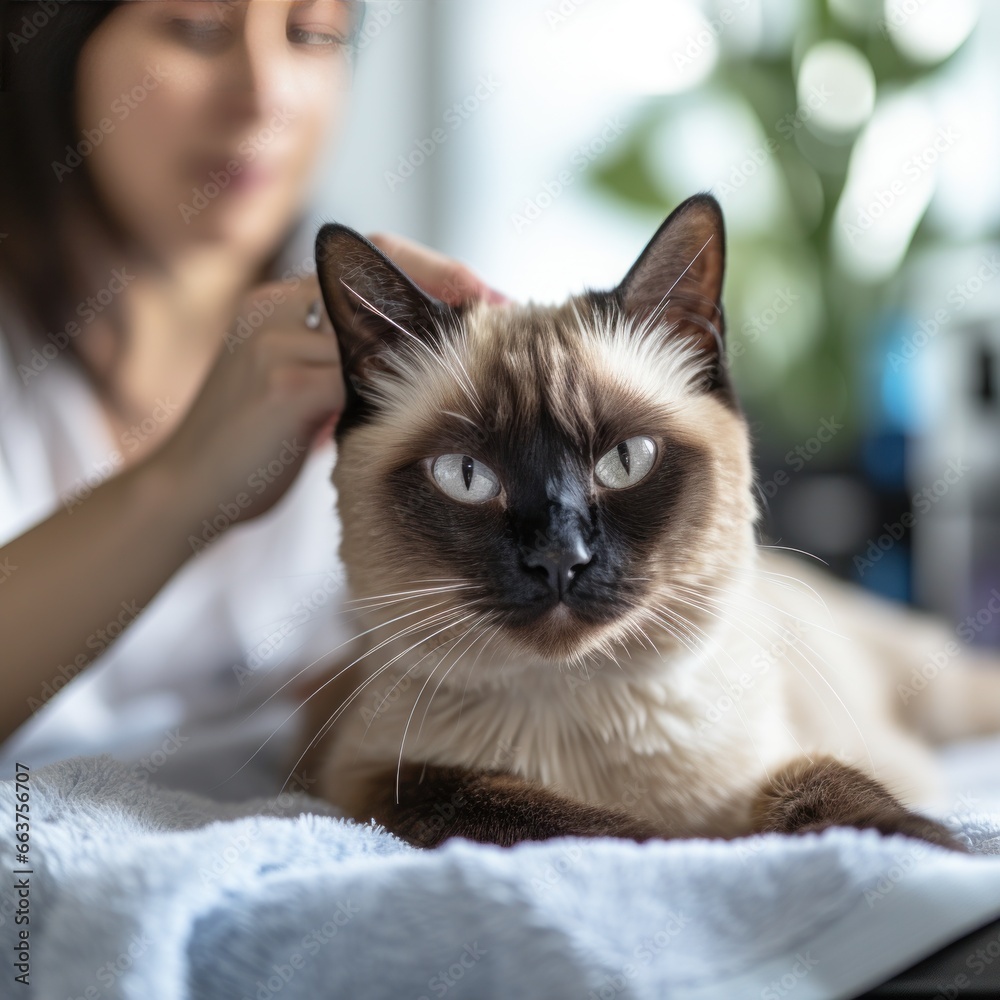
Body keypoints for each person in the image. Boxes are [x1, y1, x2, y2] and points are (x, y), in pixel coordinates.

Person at [0, 0, 502, 795]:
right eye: (198, 28)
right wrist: (183, 487)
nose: (265, 92)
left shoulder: (382, 350)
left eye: (313, 35)